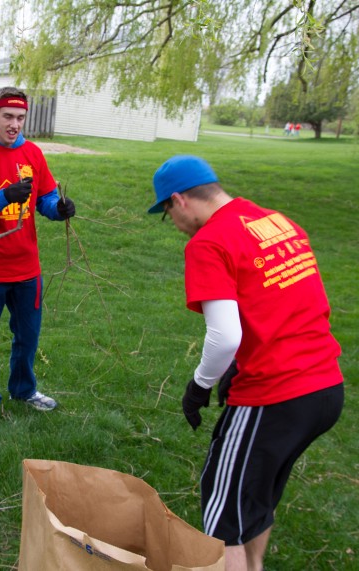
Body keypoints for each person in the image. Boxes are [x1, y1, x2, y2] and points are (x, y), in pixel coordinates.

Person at [148, 155, 344, 571]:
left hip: (276, 393)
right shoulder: (274, 221)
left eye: (167, 212)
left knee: (222, 518)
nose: (174, 223)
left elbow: (224, 336)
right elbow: (290, 300)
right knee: (255, 496)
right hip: (325, 386)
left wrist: (200, 384)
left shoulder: (208, 242)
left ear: (179, 200)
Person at [0, 86, 76, 428]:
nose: (14, 124)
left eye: (20, 118)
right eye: (7, 116)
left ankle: (24, 390)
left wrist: (59, 209)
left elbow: (46, 199)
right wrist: (3, 196)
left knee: (27, 337)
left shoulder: (33, 154)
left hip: (27, 268)